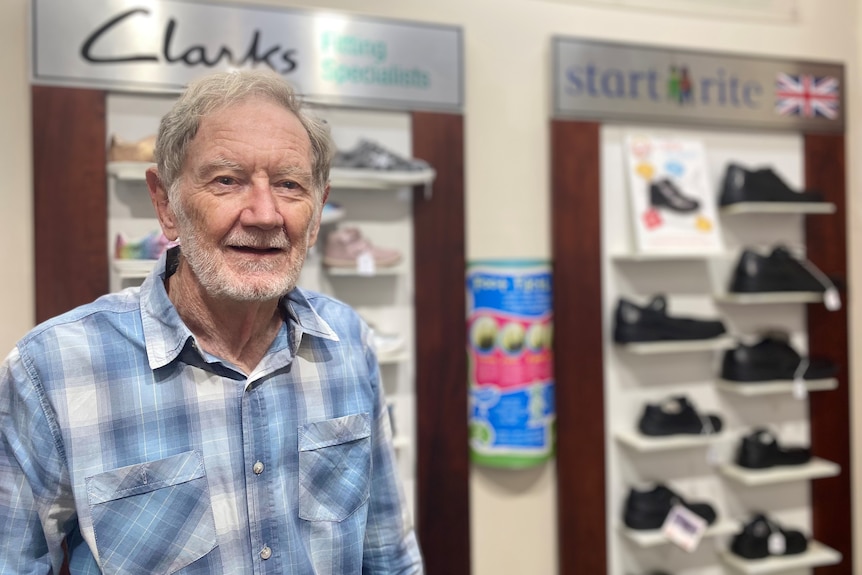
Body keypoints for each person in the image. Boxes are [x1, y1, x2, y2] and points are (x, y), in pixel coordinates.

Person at [0, 69, 423, 574]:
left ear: (317, 213)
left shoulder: (348, 342)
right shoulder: (53, 370)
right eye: (227, 180)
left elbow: (388, 556)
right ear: (166, 205)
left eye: (290, 185)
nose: (265, 214)